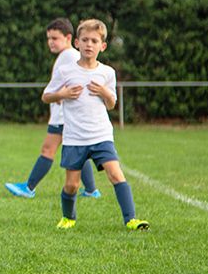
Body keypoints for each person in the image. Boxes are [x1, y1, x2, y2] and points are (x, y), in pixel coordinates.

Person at [42, 19, 149, 231]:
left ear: (103, 46)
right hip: (74, 138)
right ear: (77, 44)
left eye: (94, 41)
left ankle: (131, 219)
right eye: (85, 40)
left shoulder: (107, 73)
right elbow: (46, 96)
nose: (89, 44)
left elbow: (111, 104)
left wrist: (104, 92)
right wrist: (61, 94)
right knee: (72, 185)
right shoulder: (66, 72)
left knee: (116, 174)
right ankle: (68, 217)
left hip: (101, 136)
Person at [6, 18, 101, 200]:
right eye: (49, 38)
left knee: (47, 150)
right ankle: (91, 190)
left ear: (68, 38)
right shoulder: (67, 56)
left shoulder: (69, 56)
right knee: (79, 152)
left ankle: (28, 187)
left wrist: (61, 95)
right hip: (63, 115)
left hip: (63, 117)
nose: (51, 42)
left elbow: (77, 83)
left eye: (55, 38)